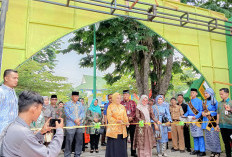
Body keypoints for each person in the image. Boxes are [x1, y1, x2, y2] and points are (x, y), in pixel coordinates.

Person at [1, 91, 64, 157]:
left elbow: (29, 141)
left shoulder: (14, 126)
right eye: (41, 109)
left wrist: (41, 132)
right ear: (34, 109)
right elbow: (48, 154)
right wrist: (59, 131)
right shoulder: (23, 132)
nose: (41, 112)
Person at [183, 88, 206, 156]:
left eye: (193, 92)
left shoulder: (199, 101)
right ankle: (196, 149)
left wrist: (196, 117)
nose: (191, 94)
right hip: (191, 120)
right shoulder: (189, 102)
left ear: (196, 93)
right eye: (191, 92)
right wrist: (184, 115)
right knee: (194, 136)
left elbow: (201, 110)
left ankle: (202, 151)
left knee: (200, 135)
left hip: (197, 120)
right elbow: (188, 111)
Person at [105, 92, 129, 157]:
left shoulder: (122, 107)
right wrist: (116, 121)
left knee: (121, 147)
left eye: (120, 98)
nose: (119, 100)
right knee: (114, 148)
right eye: (117, 98)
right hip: (113, 131)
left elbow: (125, 116)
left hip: (122, 130)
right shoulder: (110, 107)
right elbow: (109, 118)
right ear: (114, 98)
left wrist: (126, 122)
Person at [64, 91, 85, 157]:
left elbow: (83, 113)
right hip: (70, 125)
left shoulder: (80, 104)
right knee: (69, 141)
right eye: (74, 96)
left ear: (78, 97)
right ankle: (67, 155)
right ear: (72, 96)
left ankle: (77, 154)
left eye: (77, 96)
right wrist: (75, 120)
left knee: (79, 140)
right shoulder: (67, 104)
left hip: (79, 125)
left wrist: (79, 119)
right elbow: (67, 114)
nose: (76, 97)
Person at [201, 88, 221, 157]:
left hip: (212, 122)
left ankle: (217, 152)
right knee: (208, 137)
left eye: (206, 93)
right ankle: (212, 151)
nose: (205, 95)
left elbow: (218, 112)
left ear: (211, 93)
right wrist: (203, 112)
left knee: (214, 137)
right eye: (204, 93)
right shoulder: (204, 102)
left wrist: (210, 112)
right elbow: (202, 110)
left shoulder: (214, 101)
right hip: (205, 121)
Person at [0, 69, 18, 134]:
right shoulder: (1, 92)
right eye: (14, 78)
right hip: (2, 130)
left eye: (17, 78)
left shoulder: (13, 92)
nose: (16, 80)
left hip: (11, 130)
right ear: (6, 78)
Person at [216, 88, 232, 157]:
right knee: (226, 142)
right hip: (222, 127)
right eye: (220, 94)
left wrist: (230, 110)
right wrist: (217, 124)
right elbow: (218, 114)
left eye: (222, 94)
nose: (220, 95)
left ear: (227, 94)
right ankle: (228, 155)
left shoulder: (231, 102)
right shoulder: (219, 103)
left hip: (230, 126)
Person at [121, 90, 137, 157]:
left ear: (129, 95)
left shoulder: (133, 102)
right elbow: (120, 113)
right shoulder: (121, 103)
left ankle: (133, 152)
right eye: (124, 95)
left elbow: (136, 111)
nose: (125, 96)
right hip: (124, 123)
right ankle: (124, 152)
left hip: (133, 122)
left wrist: (132, 117)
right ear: (123, 96)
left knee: (133, 138)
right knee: (124, 137)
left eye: (127, 95)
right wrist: (126, 119)